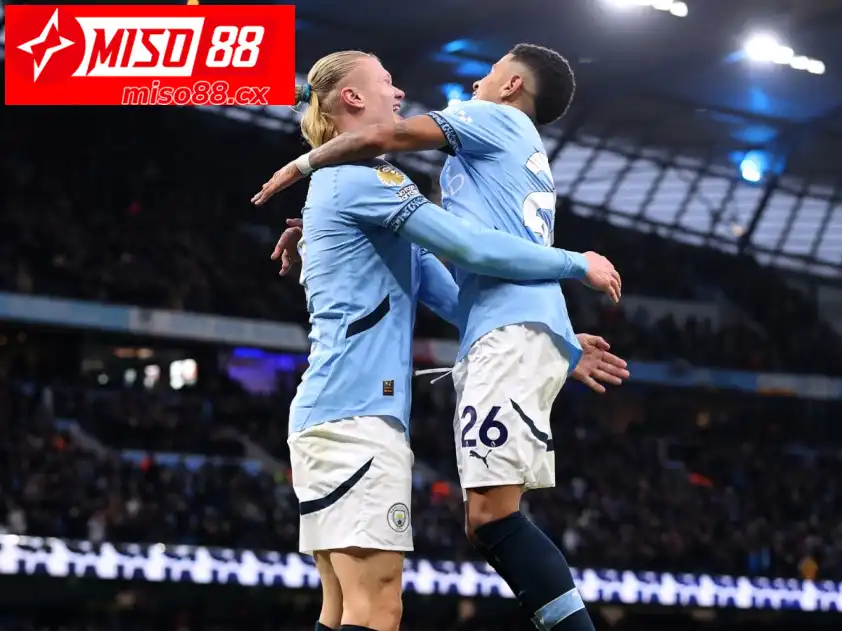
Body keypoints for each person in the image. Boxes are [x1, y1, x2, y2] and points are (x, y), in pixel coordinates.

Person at [254, 44, 615, 631]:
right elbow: (468, 248)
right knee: (377, 607)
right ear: (353, 97)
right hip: (356, 418)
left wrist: (552, 337)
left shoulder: (350, 186)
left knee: (341, 608)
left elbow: (448, 294)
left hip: (337, 413)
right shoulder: (363, 178)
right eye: (387, 82)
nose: (400, 93)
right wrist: (575, 263)